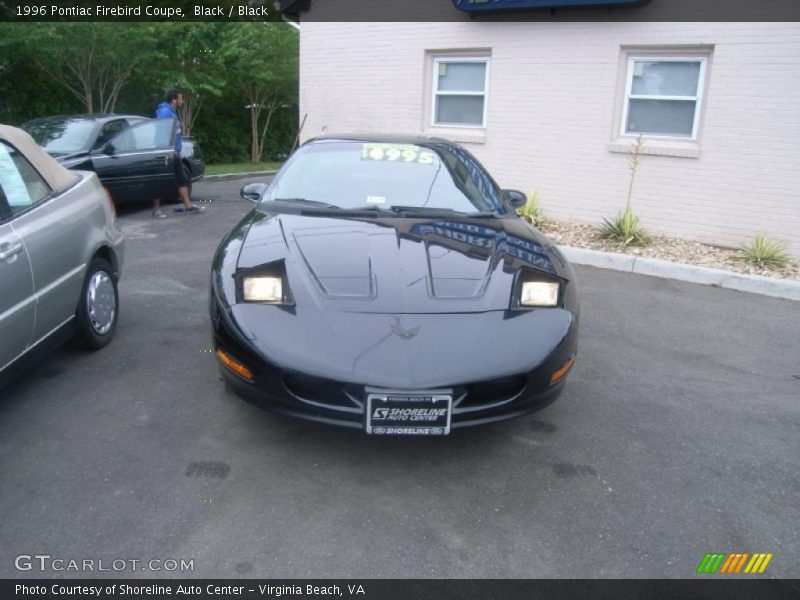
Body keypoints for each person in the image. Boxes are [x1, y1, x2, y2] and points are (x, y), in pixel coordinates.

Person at [152, 89, 204, 217]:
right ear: (174, 100)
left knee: (182, 179)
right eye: (180, 98)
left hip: (175, 153)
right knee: (161, 180)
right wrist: (170, 150)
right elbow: (162, 132)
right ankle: (156, 210)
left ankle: (188, 206)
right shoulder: (165, 112)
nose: (182, 101)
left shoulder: (172, 113)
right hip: (167, 153)